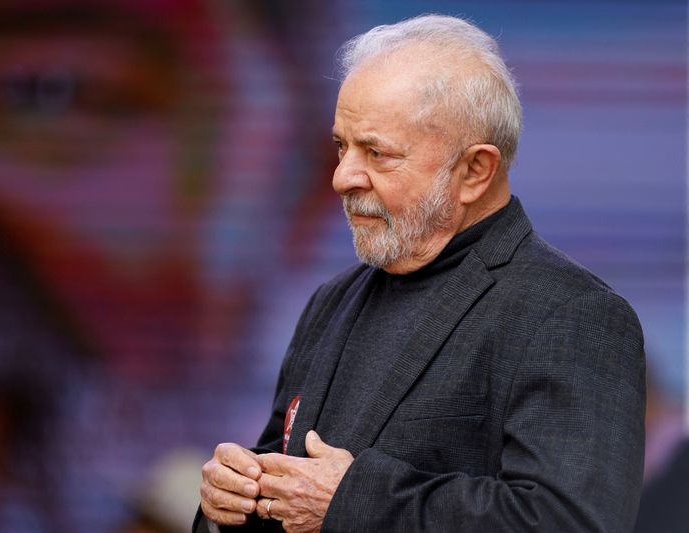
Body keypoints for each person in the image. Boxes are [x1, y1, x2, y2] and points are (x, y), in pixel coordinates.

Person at [194, 14, 645, 533]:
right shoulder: (332, 301)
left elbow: (570, 522)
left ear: (475, 171)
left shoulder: (571, 316)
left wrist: (354, 501)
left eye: (377, 153)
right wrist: (232, 501)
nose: (342, 178)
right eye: (342, 146)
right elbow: (290, 485)